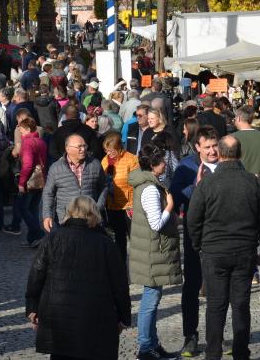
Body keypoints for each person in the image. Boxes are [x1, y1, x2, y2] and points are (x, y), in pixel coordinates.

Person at [186, 135, 260, 360]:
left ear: (220, 154)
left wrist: (198, 245)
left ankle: (213, 353)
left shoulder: (207, 183)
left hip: (214, 252)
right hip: (244, 250)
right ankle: (241, 352)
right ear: (240, 154)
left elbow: (193, 219)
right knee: (241, 304)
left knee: (216, 305)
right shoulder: (253, 182)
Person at [25, 195, 132, 360]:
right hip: (97, 319)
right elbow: (120, 286)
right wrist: (123, 317)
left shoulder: (52, 239)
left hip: (59, 318)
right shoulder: (106, 244)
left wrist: (32, 307)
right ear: (94, 214)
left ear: (69, 213)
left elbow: (36, 276)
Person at [129, 144, 182, 360]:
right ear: (153, 165)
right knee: (150, 301)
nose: (166, 165)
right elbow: (156, 223)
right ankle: (145, 346)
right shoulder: (150, 189)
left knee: (153, 297)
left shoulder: (149, 183)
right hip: (153, 251)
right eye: (163, 162)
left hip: (150, 251)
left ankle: (152, 343)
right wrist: (169, 206)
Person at [170, 126, 219, 357]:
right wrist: (196, 186)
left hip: (222, 233)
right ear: (197, 147)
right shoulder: (186, 166)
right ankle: (190, 335)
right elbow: (175, 195)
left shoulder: (228, 163)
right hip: (195, 234)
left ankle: (216, 338)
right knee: (192, 285)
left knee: (220, 288)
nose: (212, 151)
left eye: (214, 145)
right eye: (207, 147)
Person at [43, 133, 109, 231]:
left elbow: (104, 187)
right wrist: (47, 215)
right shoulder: (56, 168)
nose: (83, 149)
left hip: (90, 219)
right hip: (65, 220)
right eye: (79, 147)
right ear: (68, 149)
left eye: (84, 146)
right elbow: (48, 193)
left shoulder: (95, 164)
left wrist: (98, 208)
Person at [101, 131, 140, 271]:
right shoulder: (104, 161)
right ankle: (121, 268)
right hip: (112, 206)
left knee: (134, 239)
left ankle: (137, 268)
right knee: (119, 239)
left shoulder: (131, 159)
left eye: (111, 150)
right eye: (106, 150)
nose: (109, 153)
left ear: (119, 148)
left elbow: (137, 182)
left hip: (129, 206)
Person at [17, 116, 48, 246]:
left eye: (22, 130)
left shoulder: (28, 143)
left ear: (28, 129)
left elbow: (28, 165)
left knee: (23, 208)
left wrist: (21, 183)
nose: (20, 132)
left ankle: (39, 234)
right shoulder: (40, 141)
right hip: (41, 179)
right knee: (33, 208)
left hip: (30, 180)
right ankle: (33, 239)